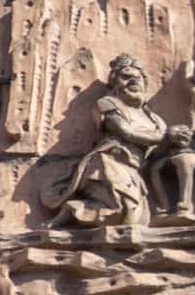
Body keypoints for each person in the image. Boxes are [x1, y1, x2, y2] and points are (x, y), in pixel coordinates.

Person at [44, 54, 165, 227]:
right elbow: (126, 132)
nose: (132, 82)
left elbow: (163, 139)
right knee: (123, 210)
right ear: (115, 82)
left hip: (133, 167)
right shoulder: (107, 104)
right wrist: (162, 137)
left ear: (144, 83)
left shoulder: (152, 117)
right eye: (125, 77)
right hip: (109, 162)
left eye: (136, 78)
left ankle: (76, 209)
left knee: (138, 218)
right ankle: (73, 210)